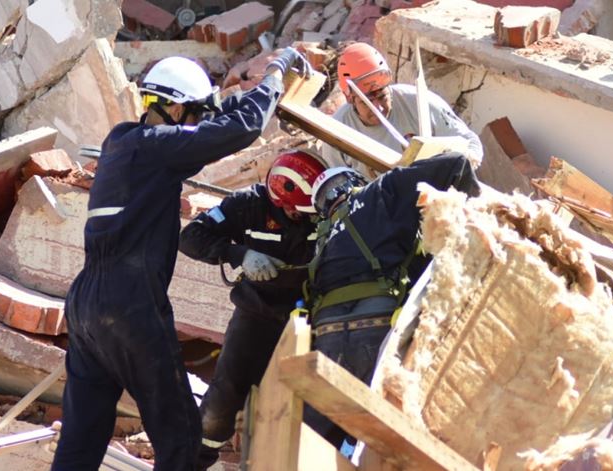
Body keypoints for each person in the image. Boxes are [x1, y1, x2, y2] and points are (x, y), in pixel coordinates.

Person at [52, 49, 311, 471]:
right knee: (181, 438)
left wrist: (222, 104)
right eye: (192, 114)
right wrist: (274, 76)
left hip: (85, 307)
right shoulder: (156, 149)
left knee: (82, 441)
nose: (195, 125)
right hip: (130, 304)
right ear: (173, 107)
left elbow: (209, 127)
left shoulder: (122, 142)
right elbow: (242, 129)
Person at [302, 152, 482, 448]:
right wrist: (477, 219)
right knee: (387, 444)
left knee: (314, 446)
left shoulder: (322, 239)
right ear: (357, 181)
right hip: (377, 329)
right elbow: (456, 164)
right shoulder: (380, 190)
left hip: (327, 342)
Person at [179, 149, 327, 469]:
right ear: (279, 200)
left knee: (312, 403)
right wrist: (239, 254)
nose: (305, 217)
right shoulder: (247, 205)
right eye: (297, 211)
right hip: (257, 313)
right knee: (225, 395)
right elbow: (191, 237)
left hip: (312, 317)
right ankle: (193, 461)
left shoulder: (325, 209)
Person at [322, 42, 483, 179]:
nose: (378, 107)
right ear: (350, 99)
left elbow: (470, 142)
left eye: (382, 96)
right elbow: (337, 184)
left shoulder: (418, 102)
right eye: (367, 102)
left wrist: (459, 168)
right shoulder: (338, 131)